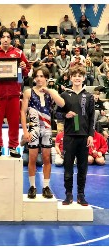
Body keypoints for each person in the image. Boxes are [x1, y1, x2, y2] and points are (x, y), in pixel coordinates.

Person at [0, 27, 30, 158]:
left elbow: (24, 73)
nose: (5, 39)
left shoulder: (18, 53)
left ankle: (13, 147)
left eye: (8, 37)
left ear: (11, 39)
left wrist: (23, 68)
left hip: (14, 93)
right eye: (3, 37)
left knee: (14, 122)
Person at [20, 66, 65, 199]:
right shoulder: (28, 92)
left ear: (46, 78)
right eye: (37, 76)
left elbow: (62, 104)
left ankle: (46, 186)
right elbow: (23, 112)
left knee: (47, 159)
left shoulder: (51, 91)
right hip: (33, 129)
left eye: (42, 76)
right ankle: (32, 186)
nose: (39, 79)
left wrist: (50, 92)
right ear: (34, 78)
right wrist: (25, 131)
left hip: (47, 129)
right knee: (32, 158)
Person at [60, 65, 95, 206]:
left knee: (82, 168)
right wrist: (65, 115)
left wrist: (91, 135)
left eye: (80, 75)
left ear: (84, 78)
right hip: (69, 136)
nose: (77, 78)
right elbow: (56, 113)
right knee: (68, 167)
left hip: (84, 137)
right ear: (70, 78)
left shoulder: (89, 96)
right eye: (74, 75)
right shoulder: (64, 95)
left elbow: (92, 118)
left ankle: (81, 194)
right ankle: (68, 194)